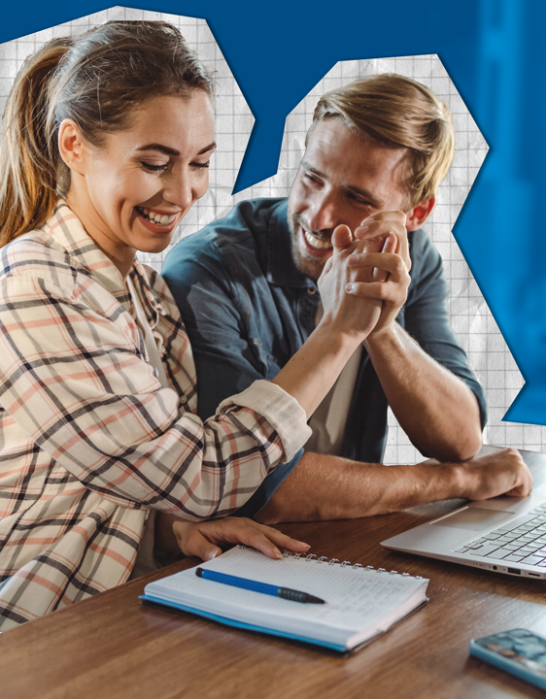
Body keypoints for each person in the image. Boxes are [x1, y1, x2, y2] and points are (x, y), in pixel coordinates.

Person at [0, 22, 389, 631]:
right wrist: (339, 333)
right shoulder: (35, 284)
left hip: (109, 614)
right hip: (29, 633)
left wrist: (169, 528)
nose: (183, 193)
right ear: (73, 146)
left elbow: (103, 485)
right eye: (156, 163)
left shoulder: (147, 294)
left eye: (200, 163)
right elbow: (203, 475)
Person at [162, 74, 533, 523]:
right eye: (311, 177)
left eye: (356, 198)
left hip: (345, 539)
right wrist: (457, 481)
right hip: (228, 554)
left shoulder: (408, 259)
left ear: (414, 214)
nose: (318, 215)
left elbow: (460, 439)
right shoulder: (207, 271)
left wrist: (382, 327)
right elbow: (250, 484)